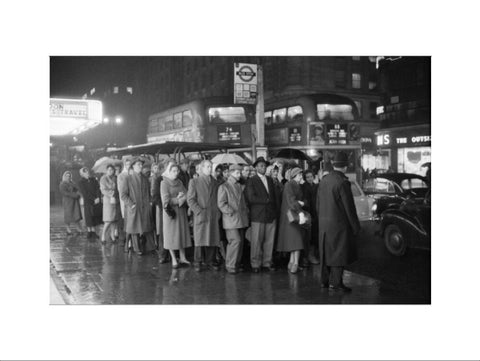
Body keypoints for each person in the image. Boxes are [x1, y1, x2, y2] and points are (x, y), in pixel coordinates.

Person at [316, 151, 361, 292]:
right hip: (339, 225)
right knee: (338, 254)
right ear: (345, 167)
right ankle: (336, 283)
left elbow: (317, 204)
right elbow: (349, 208)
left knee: (325, 253)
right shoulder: (342, 182)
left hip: (323, 224)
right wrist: (356, 226)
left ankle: (324, 281)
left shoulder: (324, 180)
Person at [187, 160, 222, 272]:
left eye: (211, 166)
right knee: (199, 239)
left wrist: (218, 213)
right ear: (201, 168)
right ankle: (197, 261)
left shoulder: (215, 182)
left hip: (213, 214)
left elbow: (218, 199)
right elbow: (190, 200)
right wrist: (199, 212)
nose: (210, 168)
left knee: (212, 237)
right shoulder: (194, 182)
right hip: (201, 214)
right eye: (207, 166)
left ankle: (210, 261)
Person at [245, 157, 278, 273]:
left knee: (269, 240)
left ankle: (267, 262)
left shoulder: (270, 180)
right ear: (256, 167)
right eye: (260, 166)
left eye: (264, 165)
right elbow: (250, 198)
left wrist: (275, 210)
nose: (262, 167)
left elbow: (274, 197)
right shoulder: (251, 180)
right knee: (256, 241)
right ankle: (255, 264)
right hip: (258, 215)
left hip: (270, 214)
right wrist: (266, 199)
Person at [119, 157, 156, 255]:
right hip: (134, 207)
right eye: (138, 164)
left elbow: (148, 192)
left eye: (141, 164)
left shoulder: (144, 178)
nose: (140, 166)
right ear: (133, 166)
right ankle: (136, 248)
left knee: (146, 226)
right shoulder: (127, 178)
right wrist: (131, 205)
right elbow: (123, 195)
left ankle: (150, 247)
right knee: (134, 228)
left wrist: (150, 202)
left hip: (144, 206)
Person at [217, 164, 249, 274]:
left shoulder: (239, 186)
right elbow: (221, 204)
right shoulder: (224, 186)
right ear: (231, 173)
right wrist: (230, 211)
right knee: (235, 241)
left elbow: (243, 203)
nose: (239, 175)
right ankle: (230, 265)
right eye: (237, 173)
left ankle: (235, 264)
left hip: (240, 218)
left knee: (239, 243)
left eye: (240, 172)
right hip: (231, 219)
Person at [161, 162, 192, 269]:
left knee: (181, 235)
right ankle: (174, 259)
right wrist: (179, 199)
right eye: (173, 171)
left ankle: (182, 257)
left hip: (181, 212)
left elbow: (187, 193)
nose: (176, 173)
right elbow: (165, 201)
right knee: (171, 236)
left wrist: (183, 197)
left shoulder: (179, 181)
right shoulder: (164, 183)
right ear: (168, 171)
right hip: (171, 214)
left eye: (177, 171)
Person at [276, 167, 306, 273]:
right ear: (294, 176)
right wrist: (300, 210)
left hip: (292, 215)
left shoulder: (294, 184)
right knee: (296, 240)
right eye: (299, 175)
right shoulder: (290, 184)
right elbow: (291, 200)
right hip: (293, 215)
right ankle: (295, 263)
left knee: (294, 240)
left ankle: (292, 261)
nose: (301, 176)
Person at [151, 161, 169, 263]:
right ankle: (162, 254)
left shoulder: (175, 179)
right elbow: (155, 195)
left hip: (172, 209)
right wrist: (163, 206)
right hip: (163, 208)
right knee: (162, 232)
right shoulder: (159, 179)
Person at [77, 167, 102, 239]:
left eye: (87, 172)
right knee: (88, 216)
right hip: (88, 201)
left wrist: (98, 197)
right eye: (85, 172)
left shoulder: (93, 179)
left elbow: (98, 189)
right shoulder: (81, 182)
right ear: (82, 174)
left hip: (96, 201)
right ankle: (89, 231)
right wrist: (93, 199)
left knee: (94, 216)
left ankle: (93, 231)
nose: (87, 173)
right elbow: (84, 193)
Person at [301, 169, 320, 265]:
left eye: (311, 177)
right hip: (308, 213)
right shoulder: (304, 187)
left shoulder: (316, 186)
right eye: (307, 177)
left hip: (316, 213)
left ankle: (312, 255)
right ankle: (308, 256)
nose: (309, 179)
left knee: (315, 235)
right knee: (309, 236)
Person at [99, 164, 121, 244]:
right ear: (106, 170)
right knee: (108, 220)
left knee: (114, 220)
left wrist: (115, 194)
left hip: (115, 199)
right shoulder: (103, 178)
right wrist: (111, 194)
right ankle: (103, 236)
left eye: (112, 170)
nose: (110, 171)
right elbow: (103, 190)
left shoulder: (115, 178)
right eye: (109, 170)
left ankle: (112, 236)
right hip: (108, 200)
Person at [59, 170, 82, 235]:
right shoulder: (62, 184)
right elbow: (65, 193)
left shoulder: (73, 183)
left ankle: (78, 228)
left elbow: (77, 189)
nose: (68, 177)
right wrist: (75, 195)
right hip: (67, 201)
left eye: (69, 176)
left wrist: (78, 193)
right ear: (64, 176)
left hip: (74, 201)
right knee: (68, 215)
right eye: (67, 176)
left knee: (76, 214)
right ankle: (68, 229)